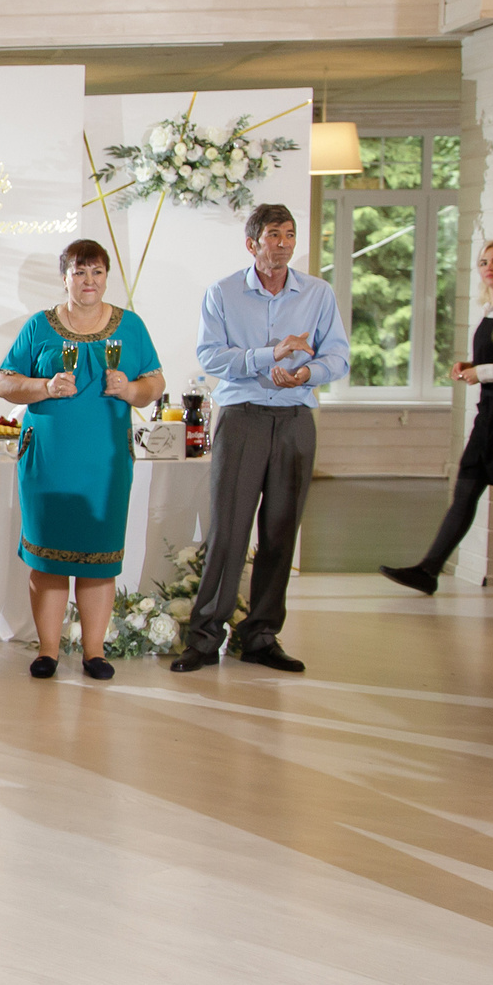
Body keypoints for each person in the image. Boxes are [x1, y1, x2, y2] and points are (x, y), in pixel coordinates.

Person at [171, 204, 346, 674]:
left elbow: (339, 357)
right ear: (252, 244)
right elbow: (211, 357)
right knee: (228, 532)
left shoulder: (319, 293)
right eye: (274, 234)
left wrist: (307, 371)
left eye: (290, 234)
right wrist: (272, 356)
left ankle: (262, 636)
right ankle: (204, 638)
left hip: (295, 419)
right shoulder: (223, 293)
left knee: (281, 531)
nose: (284, 243)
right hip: (243, 416)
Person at [0, 239, 167, 679]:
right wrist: (43, 388)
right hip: (49, 458)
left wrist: (130, 391)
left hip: (105, 460)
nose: (88, 281)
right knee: (48, 558)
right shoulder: (40, 325)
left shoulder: (131, 326)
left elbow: (155, 382)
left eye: (96, 272)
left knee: (98, 554)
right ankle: (48, 651)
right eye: (79, 272)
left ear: (107, 277)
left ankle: (95, 652)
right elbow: (4, 383)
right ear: (65, 277)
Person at [381, 239, 493, 595]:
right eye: (484, 262)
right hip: (489, 411)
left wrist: (482, 373)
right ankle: (429, 569)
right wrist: (472, 366)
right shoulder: (490, 308)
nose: (490, 267)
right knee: (465, 489)